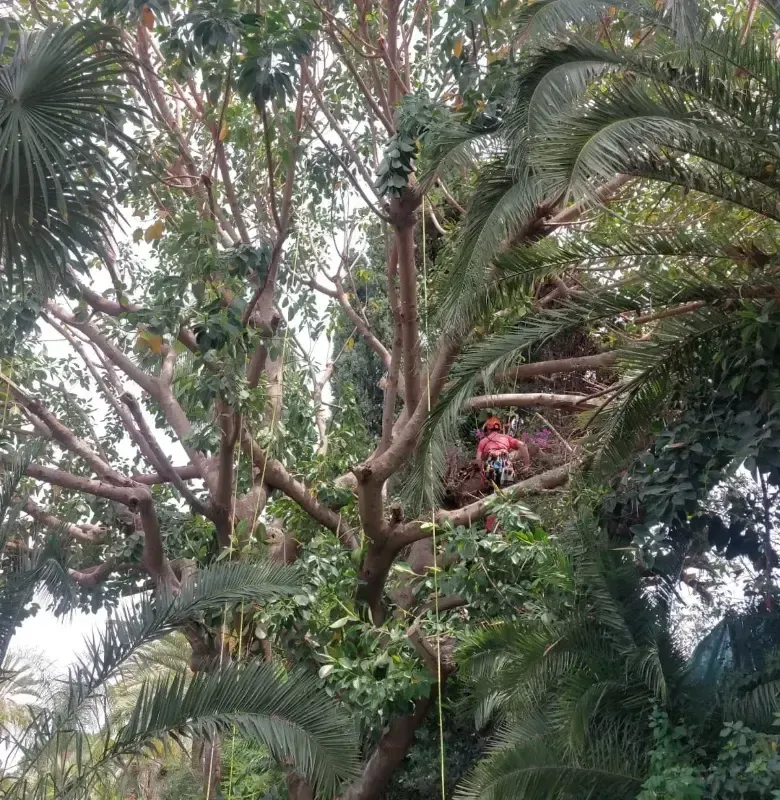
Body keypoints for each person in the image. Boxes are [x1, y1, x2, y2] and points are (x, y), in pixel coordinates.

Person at [476, 416, 531, 486]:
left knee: (493, 490)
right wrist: (527, 465)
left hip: (490, 468)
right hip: (505, 465)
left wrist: (482, 474)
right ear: (498, 428)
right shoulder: (505, 437)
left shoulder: (483, 441)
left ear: (487, 429)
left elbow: (478, 460)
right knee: (511, 490)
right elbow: (523, 445)